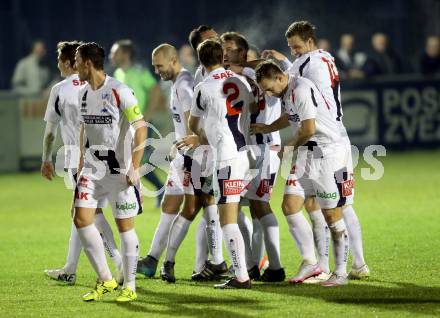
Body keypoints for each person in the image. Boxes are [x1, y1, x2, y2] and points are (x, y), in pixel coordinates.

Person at [262, 20, 370, 281]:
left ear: (309, 43)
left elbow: (297, 91)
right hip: (324, 140)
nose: (293, 52)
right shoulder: (325, 58)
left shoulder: (305, 68)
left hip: (326, 142)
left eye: (296, 47)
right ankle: (329, 264)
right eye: (290, 48)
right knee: (319, 204)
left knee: (338, 207)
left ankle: (349, 267)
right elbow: (291, 83)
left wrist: (275, 64)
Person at [253, 61, 350, 286]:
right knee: (289, 206)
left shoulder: (300, 89)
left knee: (332, 215)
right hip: (307, 152)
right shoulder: (286, 92)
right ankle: (311, 261)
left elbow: (308, 129)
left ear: (279, 78)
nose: (268, 94)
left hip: (325, 153)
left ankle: (342, 272)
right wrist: (268, 128)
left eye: (268, 88)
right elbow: (290, 117)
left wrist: (288, 147)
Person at [42, 41, 122, 285]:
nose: (59, 65)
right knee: (81, 214)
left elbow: (50, 133)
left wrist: (46, 158)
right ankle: (70, 269)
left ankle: (120, 262)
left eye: (60, 60)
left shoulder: (61, 89)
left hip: (81, 158)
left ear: (67, 63)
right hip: (106, 155)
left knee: (90, 213)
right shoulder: (98, 85)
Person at [73, 42, 147, 302]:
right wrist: (82, 158)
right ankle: (106, 279)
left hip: (119, 168)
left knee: (124, 227)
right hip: (93, 167)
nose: (75, 67)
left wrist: (135, 166)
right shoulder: (83, 93)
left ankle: (130, 285)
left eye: (77, 62)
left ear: (88, 63)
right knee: (81, 219)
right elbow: (85, 127)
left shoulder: (119, 90)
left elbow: (141, 127)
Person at [179, 39, 255, 289]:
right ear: (223, 56)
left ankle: (242, 276)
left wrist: (202, 134)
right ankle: (245, 270)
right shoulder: (241, 80)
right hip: (244, 155)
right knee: (235, 215)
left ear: (200, 60)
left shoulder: (204, 87)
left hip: (225, 158)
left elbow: (193, 124)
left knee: (228, 221)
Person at [220, 32, 285, 282]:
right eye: (223, 49)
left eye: (230, 49)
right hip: (249, 149)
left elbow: (267, 68)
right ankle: (254, 265)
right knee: (244, 207)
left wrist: (240, 66)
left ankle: (272, 267)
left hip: (264, 149)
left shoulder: (251, 74)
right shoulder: (238, 75)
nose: (226, 53)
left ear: (243, 53)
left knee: (255, 206)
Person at [109, 39, 164, 206]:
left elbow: (155, 90)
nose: (112, 56)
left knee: (137, 161)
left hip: (140, 124)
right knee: (129, 162)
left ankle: (151, 192)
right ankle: (155, 190)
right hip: (124, 125)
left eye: (115, 52)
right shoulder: (118, 73)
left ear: (126, 54)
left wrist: (146, 116)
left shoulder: (140, 72)